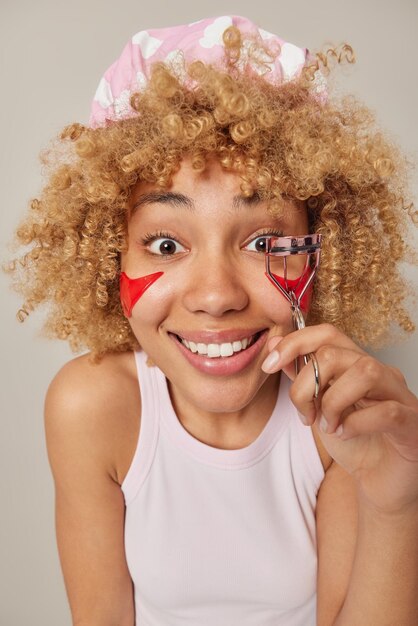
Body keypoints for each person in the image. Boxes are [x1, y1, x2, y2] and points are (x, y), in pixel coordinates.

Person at [7, 14, 418, 626]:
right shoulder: (92, 408)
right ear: (107, 252)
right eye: (166, 245)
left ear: (320, 249)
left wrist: (396, 506)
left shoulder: (335, 419)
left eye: (263, 242)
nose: (217, 296)